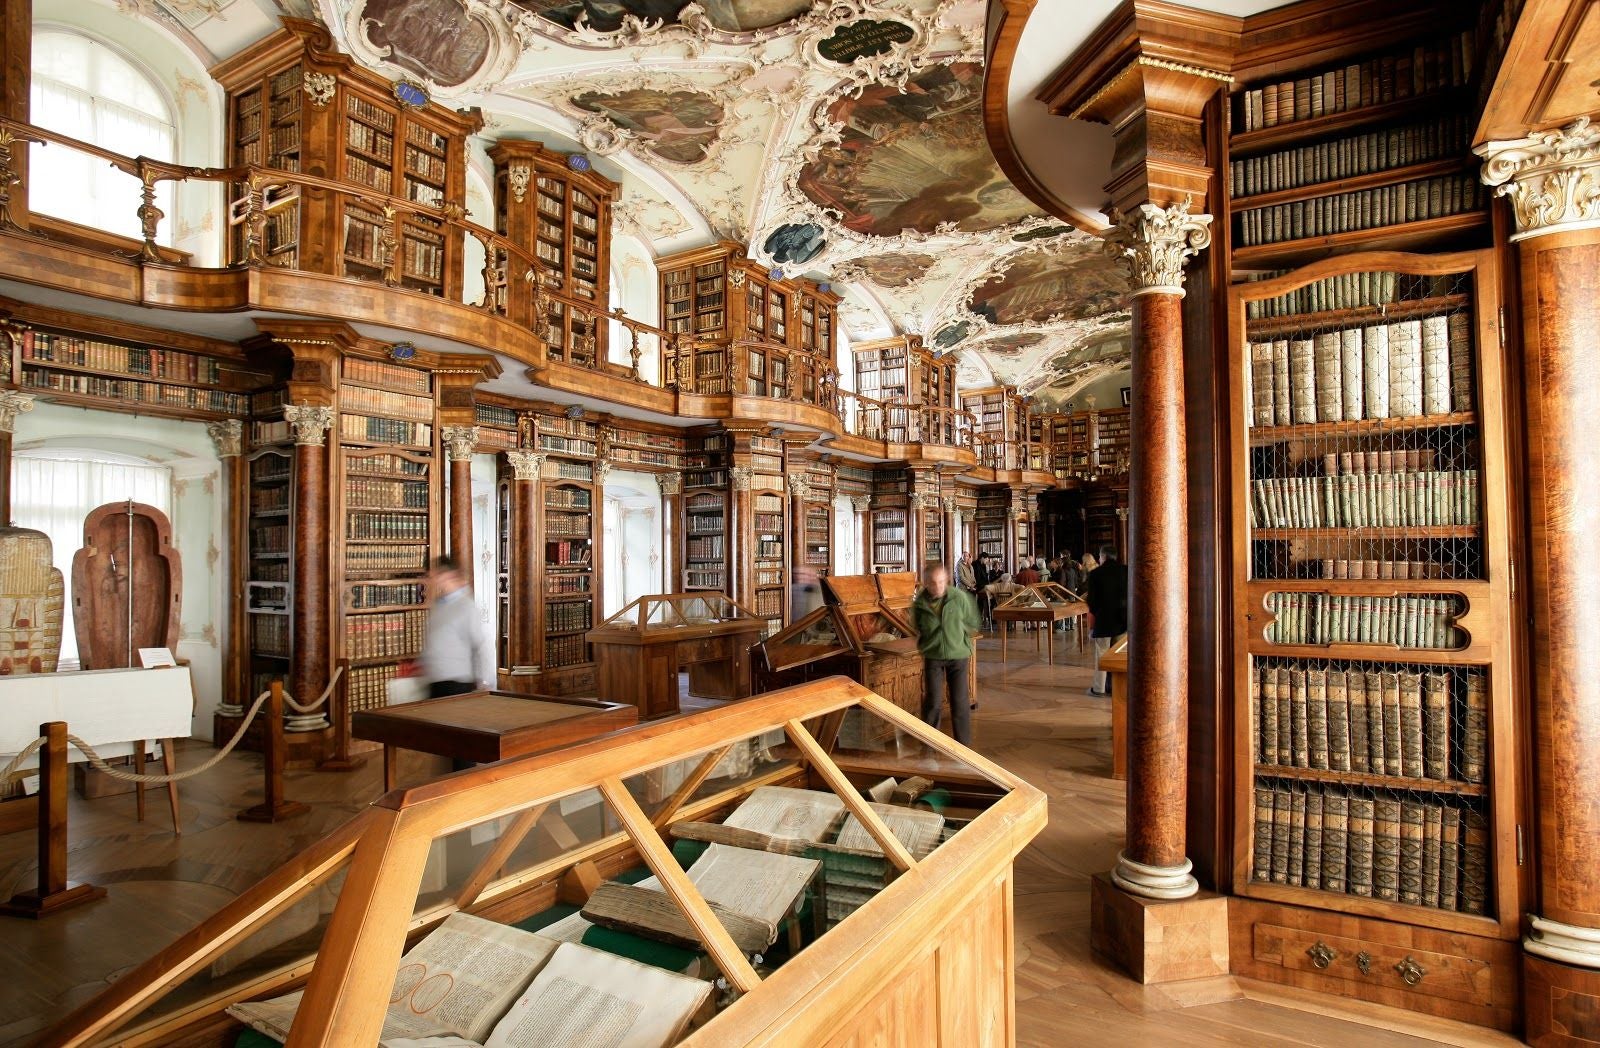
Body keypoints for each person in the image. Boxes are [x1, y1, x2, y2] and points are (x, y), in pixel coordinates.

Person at [911, 563, 980, 745]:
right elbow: (916, 626)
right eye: (933, 583)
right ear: (926, 583)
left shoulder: (959, 597)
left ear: (947, 580)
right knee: (933, 702)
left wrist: (959, 637)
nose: (938, 586)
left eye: (941, 581)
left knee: (960, 701)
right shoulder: (920, 603)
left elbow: (972, 622)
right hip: (933, 656)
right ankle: (929, 747)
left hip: (958, 656)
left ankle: (964, 747)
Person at [418, 555, 495, 699]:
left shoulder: (466, 606)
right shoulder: (438, 606)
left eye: (435, 576)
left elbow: (480, 645)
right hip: (435, 680)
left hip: (456, 682)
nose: (431, 580)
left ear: (447, 575)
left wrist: (484, 679)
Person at [1084, 546, 1129, 697]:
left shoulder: (1096, 574)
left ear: (1102, 557)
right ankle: (1118, 687)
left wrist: (1092, 624)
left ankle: (1099, 689)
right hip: (1123, 621)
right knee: (1119, 655)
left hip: (1103, 621)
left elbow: (1092, 602)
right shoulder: (1126, 571)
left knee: (1101, 655)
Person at [973, 552, 993, 628]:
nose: (987, 562)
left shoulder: (984, 565)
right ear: (982, 558)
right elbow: (977, 578)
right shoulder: (975, 564)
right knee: (980, 604)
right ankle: (982, 619)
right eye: (986, 560)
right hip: (978, 587)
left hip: (984, 586)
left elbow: (986, 576)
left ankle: (988, 618)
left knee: (988, 601)